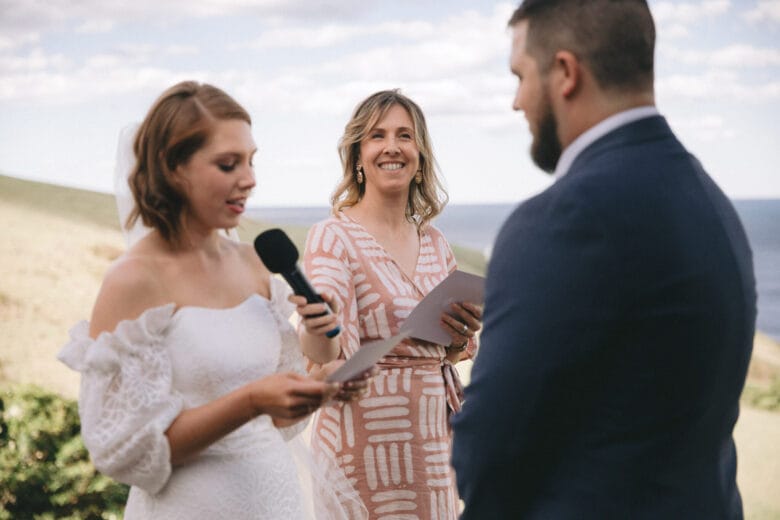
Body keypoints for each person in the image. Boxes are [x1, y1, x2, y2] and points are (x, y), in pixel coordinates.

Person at [451, 1, 757, 518]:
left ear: (565, 73)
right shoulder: (712, 202)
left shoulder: (561, 220)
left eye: (520, 76)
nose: (516, 102)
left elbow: (486, 454)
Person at [57, 80, 370, 519]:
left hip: (277, 502)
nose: (249, 180)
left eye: (251, 161)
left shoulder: (254, 263)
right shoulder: (133, 279)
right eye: (228, 164)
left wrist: (316, 389)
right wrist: (251, 401)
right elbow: (123, 453)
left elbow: (278, 420)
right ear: (173, 168)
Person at [292, 89, 483, 519]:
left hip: (432, 445)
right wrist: (318, 321)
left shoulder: (435, 242)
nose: (392, 146)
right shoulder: (333, 237)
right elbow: (327, 347)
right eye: (377, 136)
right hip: (360, 442)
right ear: (358, 156)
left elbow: (446, 355)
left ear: (420, 157)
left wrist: (461, 334)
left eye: (404, 136)